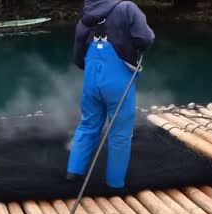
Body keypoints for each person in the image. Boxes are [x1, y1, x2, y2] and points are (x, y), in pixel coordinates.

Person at [66, 0, 155, 188]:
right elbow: (145, 39)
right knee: (120, 132)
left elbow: (78, 55)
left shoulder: (86, 13)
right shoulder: (127, 8)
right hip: (117, 79)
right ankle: (115, 183)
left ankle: (74, 171)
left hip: (91, 77)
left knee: (88, 124)